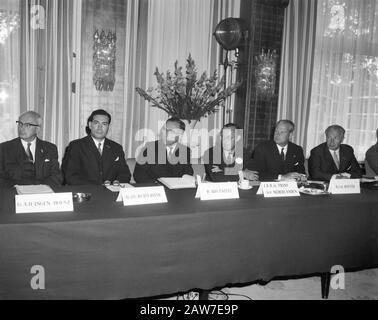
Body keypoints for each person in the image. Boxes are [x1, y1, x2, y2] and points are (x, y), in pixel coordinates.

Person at [62, 109, 131, 185]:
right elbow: (70, 176)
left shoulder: (116, 148)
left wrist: (117, 182)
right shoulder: (76, 146)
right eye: (96, 123)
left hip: (112, 192)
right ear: (90, 125)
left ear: (108, 126)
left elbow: (125, 174)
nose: (100, 127)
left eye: (104, 124)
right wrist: (97, 186)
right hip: (86, 192)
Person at [0, 111, 63, 187]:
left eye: (27, 125)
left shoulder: (50, 148)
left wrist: (39, 189)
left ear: (37, 129)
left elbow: (56, 176)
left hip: (42, 194)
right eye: (20, 124)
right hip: (13, 194)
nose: (22, 128)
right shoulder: (4, 149)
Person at [133, 117, 193, 183]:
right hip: (155, 189)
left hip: (177, 190)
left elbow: (188, 173)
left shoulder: (185, 150)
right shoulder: (150, 148)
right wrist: (157, 184)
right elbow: (138, 175)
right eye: (165, 129)